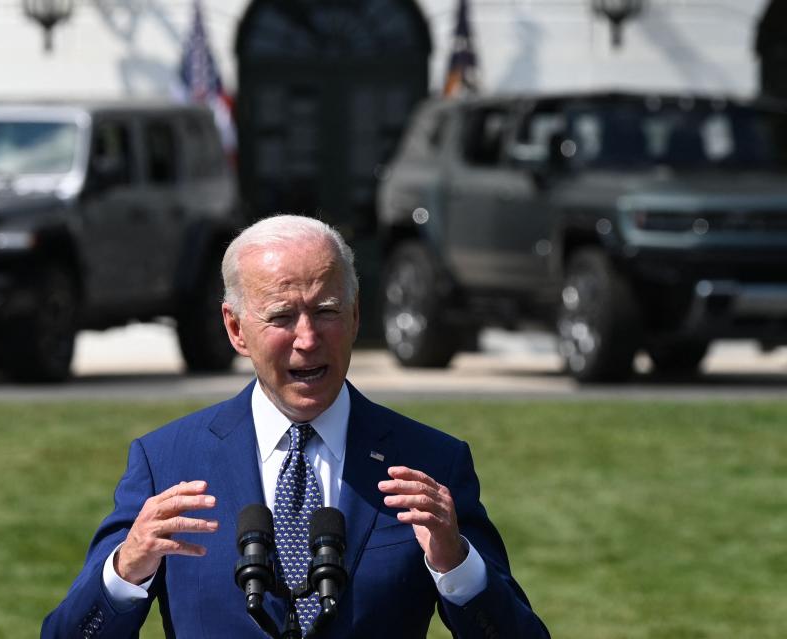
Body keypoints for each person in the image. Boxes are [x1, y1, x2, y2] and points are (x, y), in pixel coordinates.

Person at [42, 215, 549, 638]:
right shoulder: (167, 462)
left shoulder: (430, 464)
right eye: (282, 316)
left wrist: (456, 565)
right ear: (236, 328)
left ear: (354, 316)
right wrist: (126, 568)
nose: (307, 338)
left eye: (326, 311)